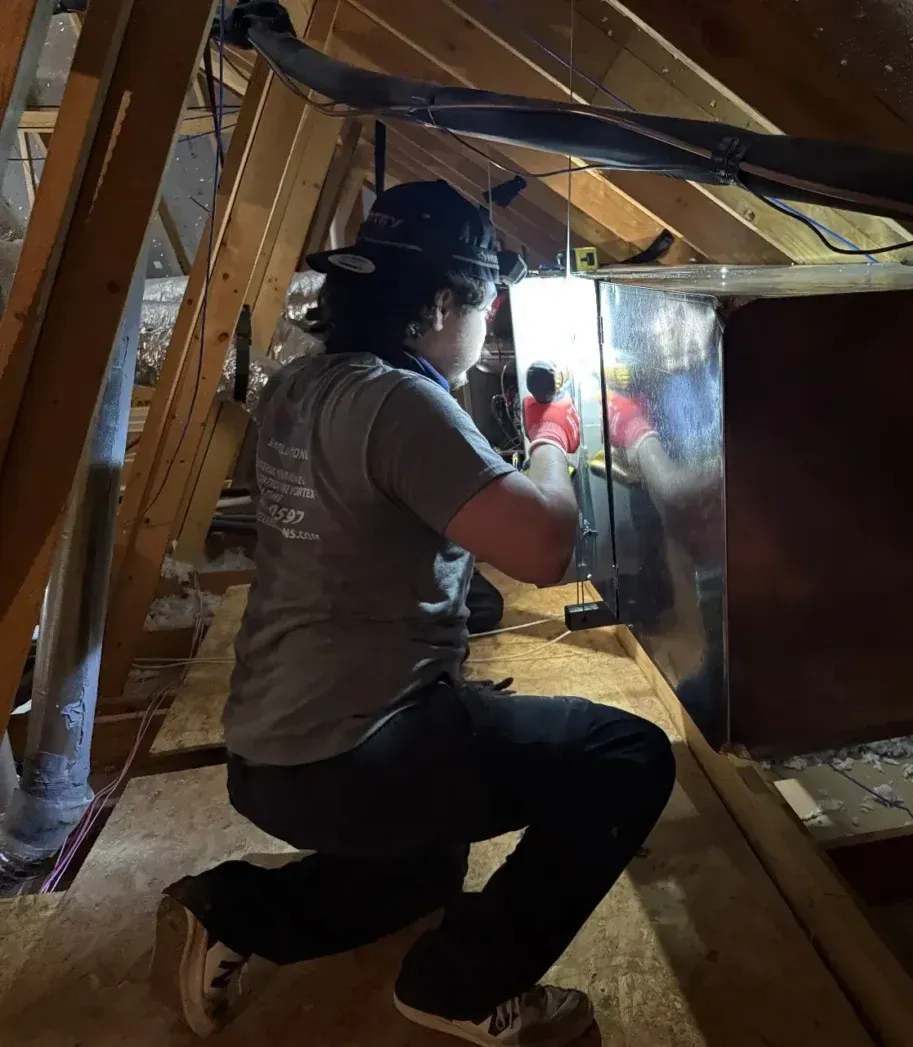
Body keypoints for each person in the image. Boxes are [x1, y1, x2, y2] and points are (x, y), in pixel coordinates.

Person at [150, 180, 676, 1046]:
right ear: (442, 303)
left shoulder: (303, 383)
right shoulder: (398, 403)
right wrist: (553, 436)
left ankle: (234, 909)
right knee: (627, 757)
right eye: (484, 307)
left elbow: (388, 504)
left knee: (425, 869)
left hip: (272, 750)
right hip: (364, 751)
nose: (487, 331)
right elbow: (542, 549)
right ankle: (459, 988)